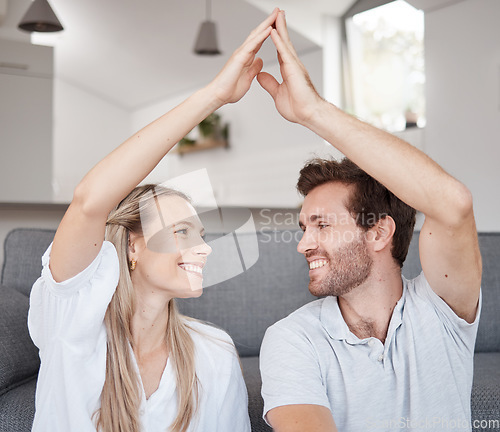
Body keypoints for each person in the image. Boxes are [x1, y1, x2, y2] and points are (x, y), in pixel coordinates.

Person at [27, 8, 283, 432]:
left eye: (199, 234)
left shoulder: (214, 352)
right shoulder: (70, 321)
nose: (202, 248)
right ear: (132, 246)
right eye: (180, 232)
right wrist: (214, 96)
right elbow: (90, 201)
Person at [258, 10, 482, 432]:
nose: (303, 244)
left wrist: (314, 113)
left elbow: (452, 203)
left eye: (322, 225)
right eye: (304, 228)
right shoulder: (293, 339)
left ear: (379, 232)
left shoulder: (442, 312)